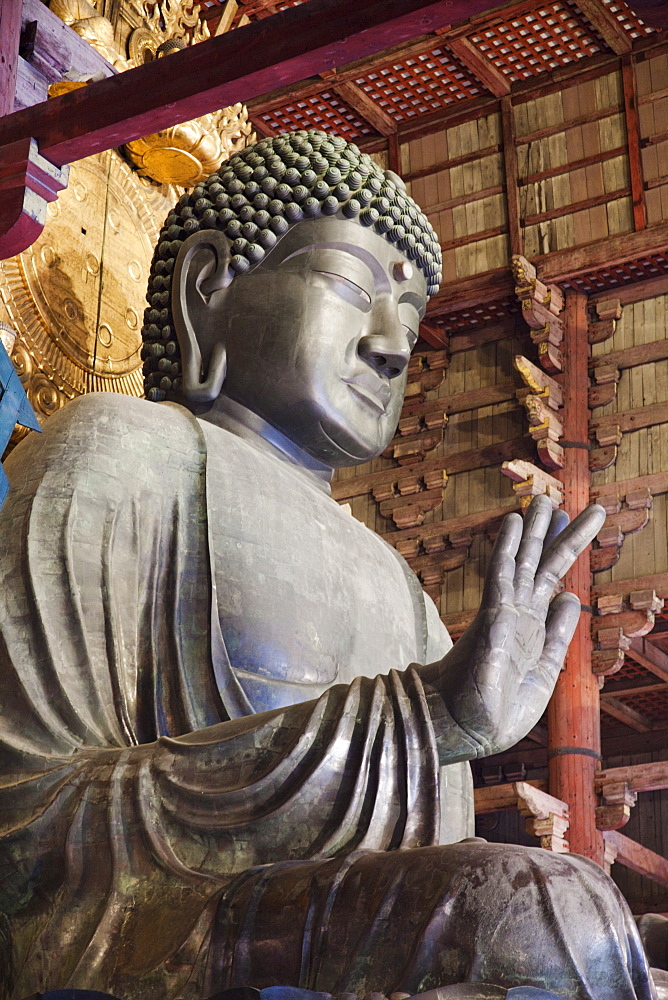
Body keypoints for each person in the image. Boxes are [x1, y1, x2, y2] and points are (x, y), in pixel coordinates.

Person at [0, 130, 653, 1000]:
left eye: (411, 324)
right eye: (351, 287)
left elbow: (424, 875)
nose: (391, 347)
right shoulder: (121, 451)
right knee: (542, 912)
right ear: (209, 287)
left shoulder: (404, 591)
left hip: (338, 935)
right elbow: (26, 826)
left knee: (590, 928)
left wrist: (432, 728)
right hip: (169, 937)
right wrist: (418, 718)